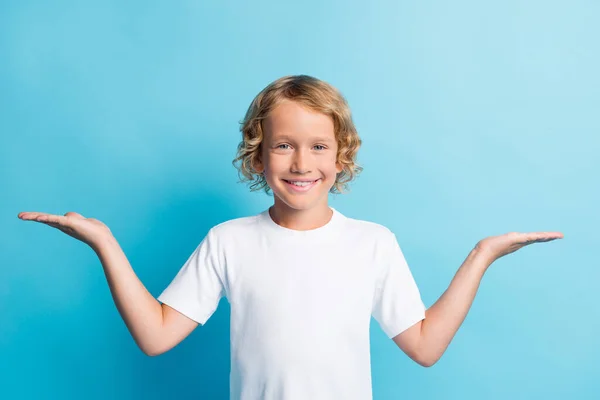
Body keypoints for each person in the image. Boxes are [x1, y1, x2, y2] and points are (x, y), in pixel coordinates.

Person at [18, 75, 564, 400]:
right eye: (283, 146)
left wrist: (482, 255)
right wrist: (105, 243)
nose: (302, 162)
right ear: (258, 154)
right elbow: (156, 337)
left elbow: (424, 346)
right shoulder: (228, 241)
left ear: (341, 155)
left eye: (319, 147)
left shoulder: (372, 243)